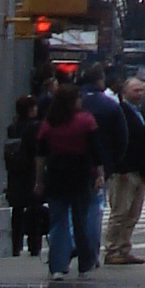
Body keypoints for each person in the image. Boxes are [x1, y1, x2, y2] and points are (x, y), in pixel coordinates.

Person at [34, 80, 103, 275]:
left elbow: (40, 156)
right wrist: (99, 174)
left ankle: (58, 265)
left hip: (56, 175)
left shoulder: (48, 124)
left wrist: (39, 181)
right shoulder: (86, 121)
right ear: (73, 101)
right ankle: (85, 261)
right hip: (80, 175)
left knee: (58, 221)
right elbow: (95, 151)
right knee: (80, 220)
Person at [75, 65, 129, 270]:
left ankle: (69, 248)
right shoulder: (110, 106)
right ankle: (90, 254)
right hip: (100, 167)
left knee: (70, 209)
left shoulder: (70, 104)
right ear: (100, 81)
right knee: (93, 210)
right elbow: (122, 138)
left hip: (70, 163)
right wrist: (111, 163)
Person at [102, 74, 145, 264]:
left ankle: (124, 248)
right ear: (124, 92)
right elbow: (116, 141)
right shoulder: (119, 111)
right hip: (124, 171)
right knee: (120, 212)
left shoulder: (141, 111)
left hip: (139, 170)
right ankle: (112, 249)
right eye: (135, 90)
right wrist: (118, 167)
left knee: (133, 214)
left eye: (141, 90)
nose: (139, 94)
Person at [2, 93, 46, 259]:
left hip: (16, 173)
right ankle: (34, 246)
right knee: (34, 211)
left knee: (17, 211)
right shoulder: (36, 127)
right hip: (31, 172)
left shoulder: (12, 127)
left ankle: (16, 245)